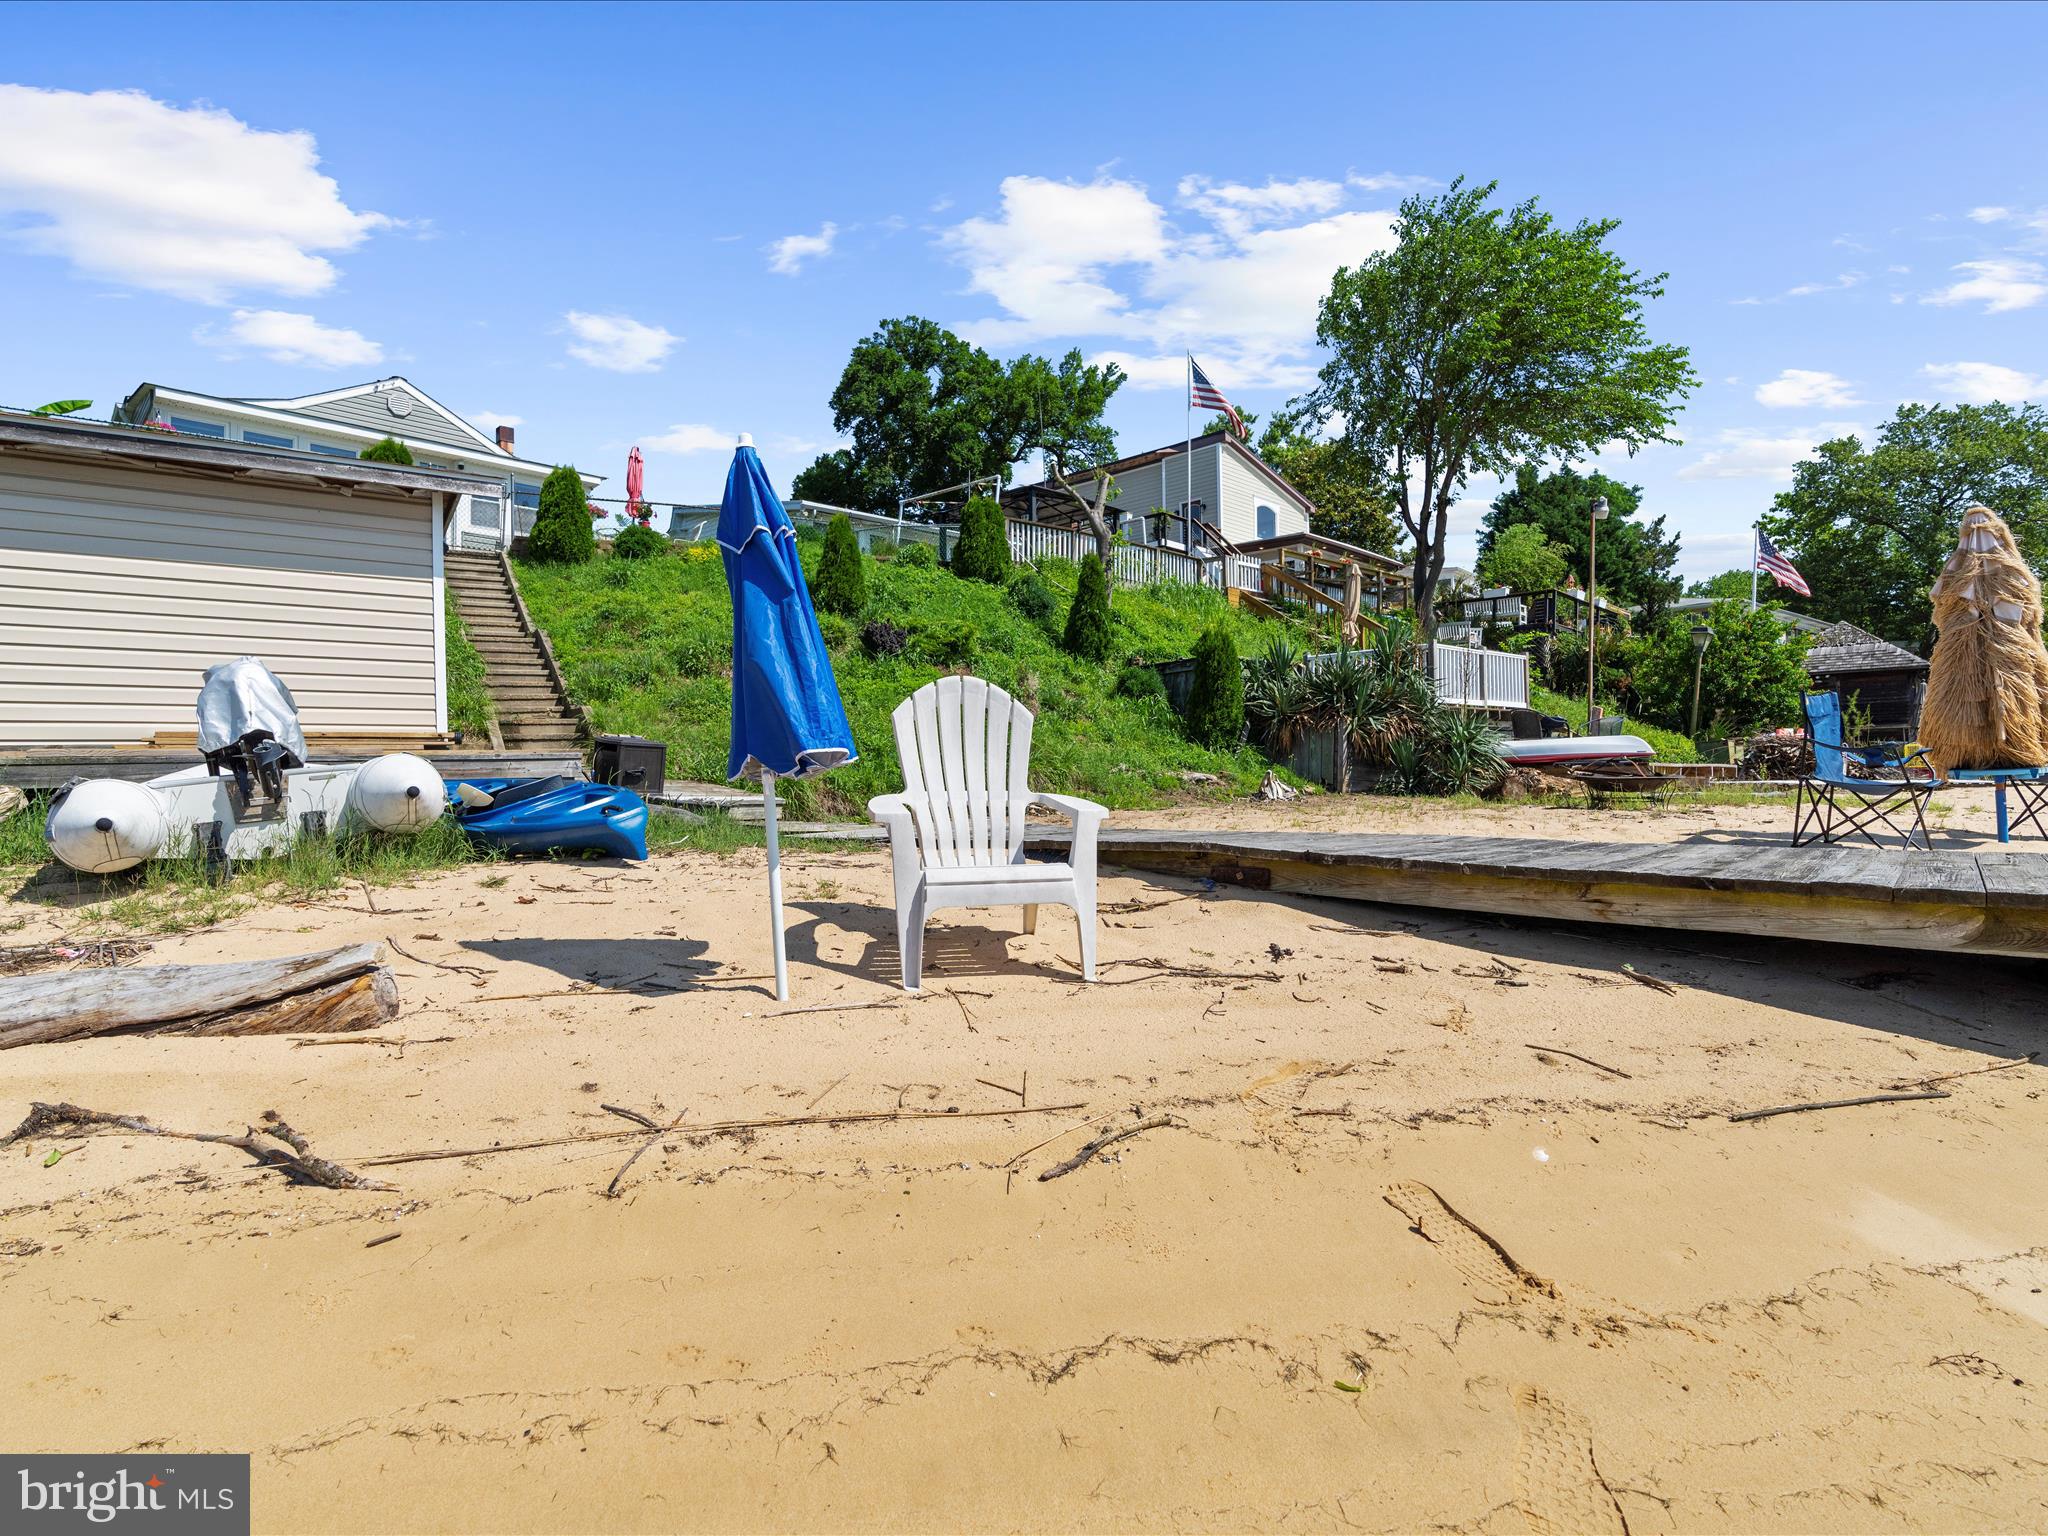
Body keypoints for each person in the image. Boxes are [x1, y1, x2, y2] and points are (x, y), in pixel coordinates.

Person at [1919, 504, 2048, 773]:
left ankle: (2008, 745)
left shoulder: (1972, 573)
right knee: (1987, 688)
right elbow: (2029, 613)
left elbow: (1943, 610)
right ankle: (1993, 747)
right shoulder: (2009, 574)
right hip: (1981, 645)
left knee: (2004, 687)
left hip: (2003, 646)